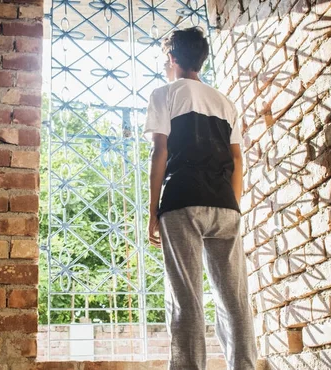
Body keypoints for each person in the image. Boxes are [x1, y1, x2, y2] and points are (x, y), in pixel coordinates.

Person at [145, 27, 257, 370]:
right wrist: (233, 205)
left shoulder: (164, 93)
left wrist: (153, 210)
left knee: (186, 297)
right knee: (234, 297)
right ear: (202, 60)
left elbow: (159, 151)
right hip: (225, 204)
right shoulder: (225, 102)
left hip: (182, 199)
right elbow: (238, 160)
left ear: (171, 58)